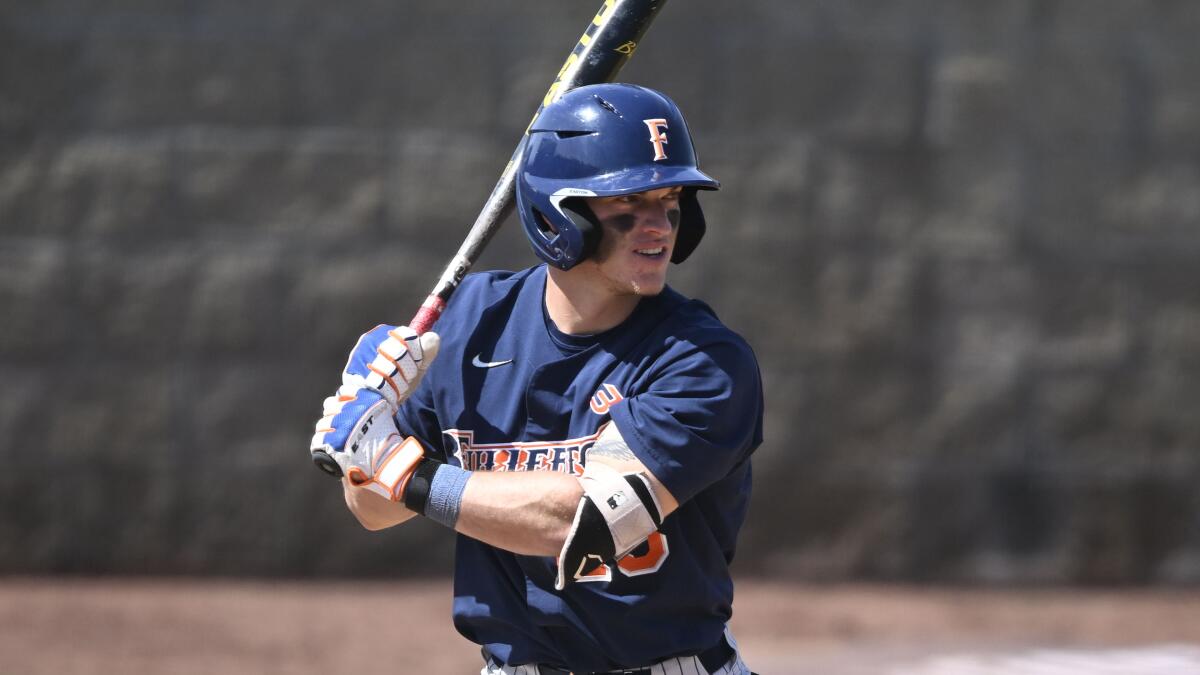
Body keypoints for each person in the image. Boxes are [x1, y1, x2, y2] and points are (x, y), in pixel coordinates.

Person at [311, 83, 763, 675]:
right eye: (630, 200)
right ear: (559, 211)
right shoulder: (471, 324)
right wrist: (365, 436)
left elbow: (584, 520)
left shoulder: (703, 361)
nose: (660, 225)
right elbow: (374, 510)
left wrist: (402, 471)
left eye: (671, 197)